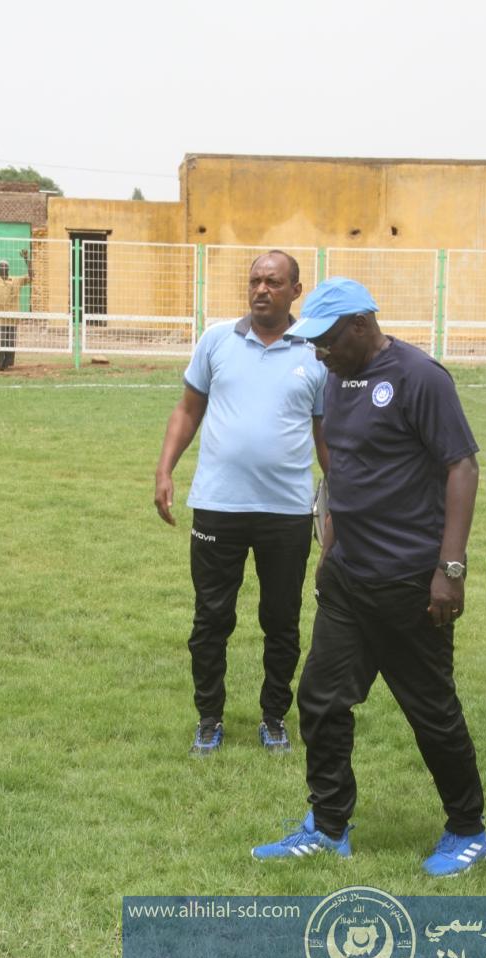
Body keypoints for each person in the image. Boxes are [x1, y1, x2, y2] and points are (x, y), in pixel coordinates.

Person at [252, 277, 486, 876]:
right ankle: (329, 825)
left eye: (327, 340)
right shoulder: (338, 376)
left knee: (430, 710)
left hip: (410, 581)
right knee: (320, 700)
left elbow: (462, 468)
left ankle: (468, 829)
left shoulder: (420, 377)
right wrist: (329, 544)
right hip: (348, 578)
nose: (318, 353)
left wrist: (451, 569)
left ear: (360, 325)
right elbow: (343, 468)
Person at [155, 251, 328, 756]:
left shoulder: (316, 352)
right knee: (211, 619)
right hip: (218, 506)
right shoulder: (216, 341)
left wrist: (341, 497)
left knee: (281, 620)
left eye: (273, 282)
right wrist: (165, 469)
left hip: (287, 511)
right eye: (255, 281)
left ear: (295, 290)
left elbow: (326, 434)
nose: (261, 290)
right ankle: (209, 719)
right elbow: (188, 411)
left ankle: (274, 717)